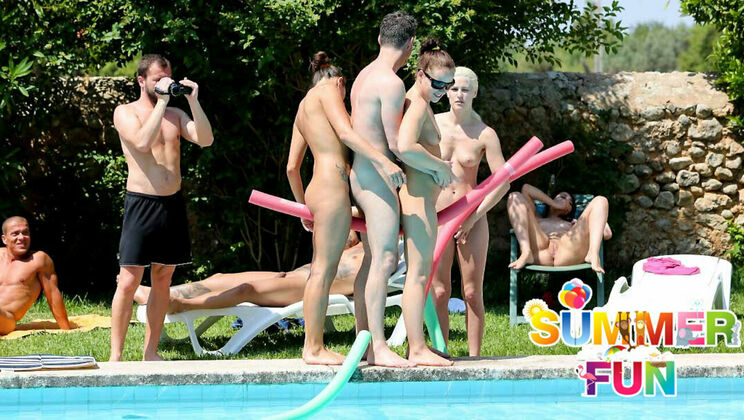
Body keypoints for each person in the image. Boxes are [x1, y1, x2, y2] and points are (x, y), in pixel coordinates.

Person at [286, 52, 404, 365]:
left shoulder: (303, 107)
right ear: (340, 82)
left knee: (322, 268)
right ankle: (313, 348)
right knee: (322, 270)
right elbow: (346, 133)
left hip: (316, 189)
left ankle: (332, 343)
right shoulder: (328, 91)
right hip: (333, 188)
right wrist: (383, 161)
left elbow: (291, 168)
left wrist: (302, 207)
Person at [110, 54, 214, 361]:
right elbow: (142, 143)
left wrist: (193, 100)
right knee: (129, 281)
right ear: (141, 81)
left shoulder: (175, 115)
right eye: (158, 79)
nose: (164, 83)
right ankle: (116, 356)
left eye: (167, 78)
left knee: (163, 279)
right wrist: (162, 102)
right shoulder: (125, 112)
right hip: (141, 202)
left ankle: (150, 352)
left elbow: (206, 139)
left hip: (171, 203)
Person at [350, 10, 420, 368]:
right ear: (410, 45)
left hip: (362, 176)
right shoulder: (392, 83)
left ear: (380, 39)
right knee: (385, 259)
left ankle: (364, 342)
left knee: (371, 260)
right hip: (378, 180)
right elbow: (397, 144)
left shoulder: (363, 75)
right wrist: (437, 168)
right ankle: (378, 346)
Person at [431, 67, 509, 356]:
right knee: (439, 291)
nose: (459, 94)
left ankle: (475, 359)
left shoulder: (485, 134)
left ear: (475, 92)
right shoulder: (432, 124)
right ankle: (441, 353)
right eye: (454, 89)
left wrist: (474, 217)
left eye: (465, 89)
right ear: (446, 91)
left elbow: (503, 183)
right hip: (437, 216)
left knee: (472, 292)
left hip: (470, 217)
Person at [397, 38, 457, 367]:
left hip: (422, 200)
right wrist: (440, 167)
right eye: (438, 84)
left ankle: (417, 346)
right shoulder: (418, 104)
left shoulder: (421, 101)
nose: (442, 91)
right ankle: (417, 348)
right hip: (417, 201)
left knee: (420, 276)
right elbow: (405, 146)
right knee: (418, 277)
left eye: (448, 85)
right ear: (421, 74)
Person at [133, 232, 365, 312]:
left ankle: (182, 305)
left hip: (306, 289)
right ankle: (159, 293)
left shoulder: (382, 253)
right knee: (220, 279)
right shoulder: (361, 241)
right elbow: (342, 240)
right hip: (291, 275)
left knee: (245, 290)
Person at [507, 184, 612, 273]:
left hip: (567, 252)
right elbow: (526, 189)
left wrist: (584, 222)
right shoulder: (536, 217)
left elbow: (607, 233)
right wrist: (554, 204)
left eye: (570, 203)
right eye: (562, 197)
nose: (566, 201)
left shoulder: (571, 224)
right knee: (514, 196)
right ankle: (526, 252)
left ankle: (593, 254)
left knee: (601, 200)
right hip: (539, 250)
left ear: (570, 210)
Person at [0, 216, 70, 335]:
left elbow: (53, 295)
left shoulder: (39, 260)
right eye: (15, 234)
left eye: (25, 233)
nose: (21, 237)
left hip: (7, 319)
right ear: (4, 239)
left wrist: (66, 330)